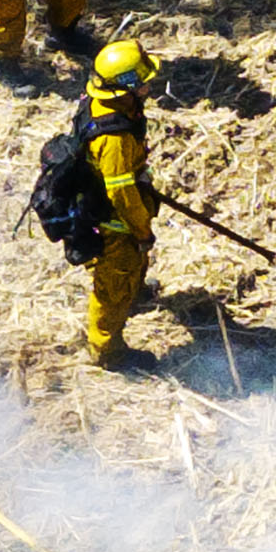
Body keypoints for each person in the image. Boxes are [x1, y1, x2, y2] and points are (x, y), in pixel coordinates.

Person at [80, 38, 161, 369]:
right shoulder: (113, 139)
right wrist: (142, 230)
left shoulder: (104, 105)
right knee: (113, 285)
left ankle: (136, 292)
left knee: (134, 265)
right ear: (125, 87)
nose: (148, 87)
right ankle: (107, 351)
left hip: (124, 211)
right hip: (117, 223)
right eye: (143, 83)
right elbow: (122, 195)